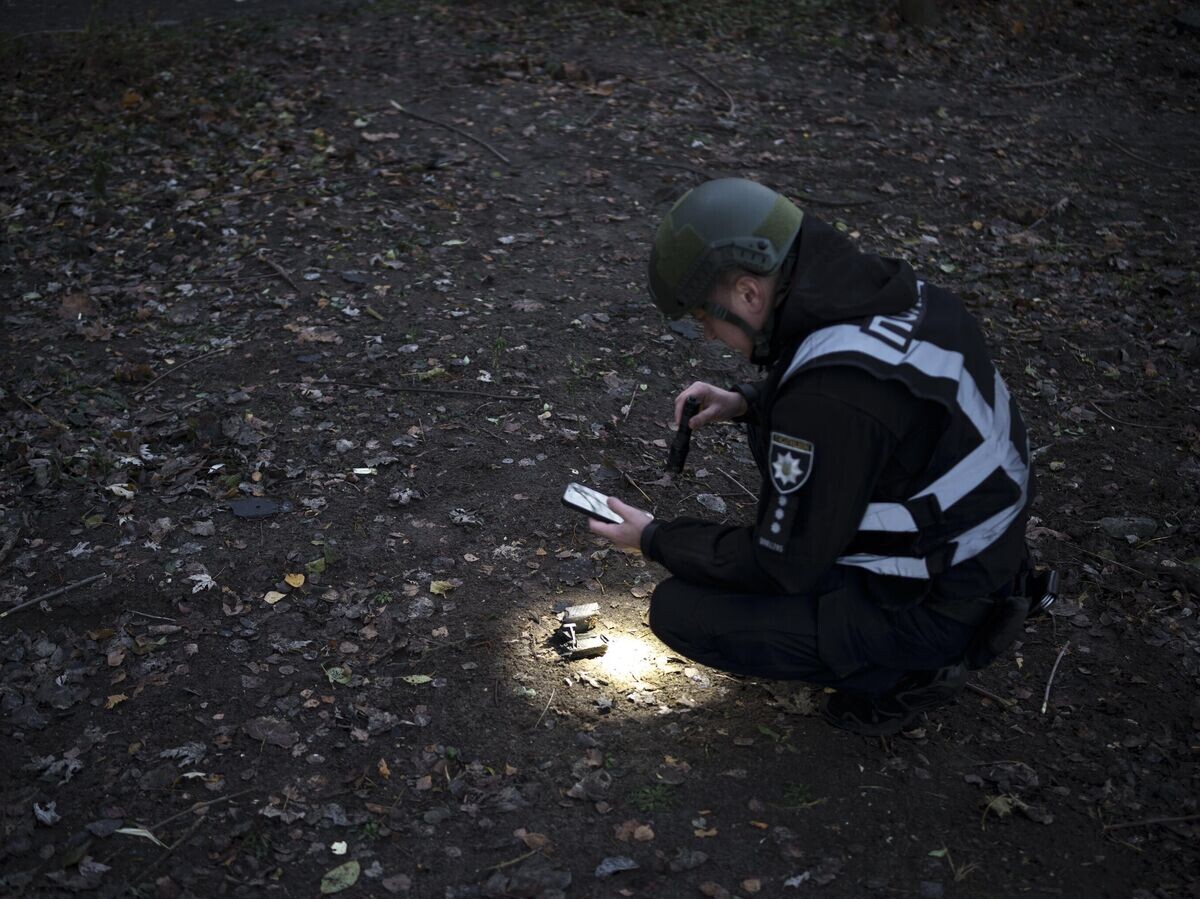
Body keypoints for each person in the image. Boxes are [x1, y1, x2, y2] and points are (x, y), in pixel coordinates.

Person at [588, 178, 1037, 736]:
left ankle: (905, 675)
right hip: (984, 558)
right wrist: (749, 401)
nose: (708, 335)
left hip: (936, 603)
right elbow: (878, 402)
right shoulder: (905, 297)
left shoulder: (827, 401)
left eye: (707, 318)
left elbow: (782, 564)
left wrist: (655, 538)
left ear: (750, 293)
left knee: (682, 611)